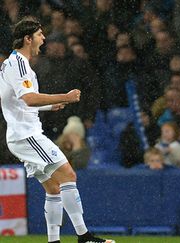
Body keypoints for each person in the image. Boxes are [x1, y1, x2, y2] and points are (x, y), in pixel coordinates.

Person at [0, 18, 114, 243]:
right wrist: (66, 96)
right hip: (27, 135)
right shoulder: (20, 64)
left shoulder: (11, 63)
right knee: (69, 176)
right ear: (28, 38)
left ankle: (54, 240)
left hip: (21, 134)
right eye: (41, 35)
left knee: (53, 188)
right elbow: (29, 99)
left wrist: (49, 105)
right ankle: (84, 236)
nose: (43, 39)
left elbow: (14, 100)